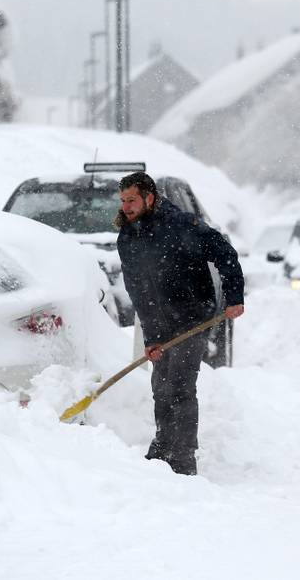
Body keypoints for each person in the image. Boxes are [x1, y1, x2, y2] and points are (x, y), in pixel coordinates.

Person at [115, 171, 245, 475]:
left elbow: (224, 253)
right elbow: (138, 291)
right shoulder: (128, 237)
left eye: (131, 200)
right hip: (160, 323)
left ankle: (184, 457)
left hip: (192, 316)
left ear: (149, 197)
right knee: (160, 386)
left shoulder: (182, 225)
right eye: (122, 201)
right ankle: (162, 448)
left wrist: (234, 296)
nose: (126, 207)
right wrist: (150, 337)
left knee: (180, 385)